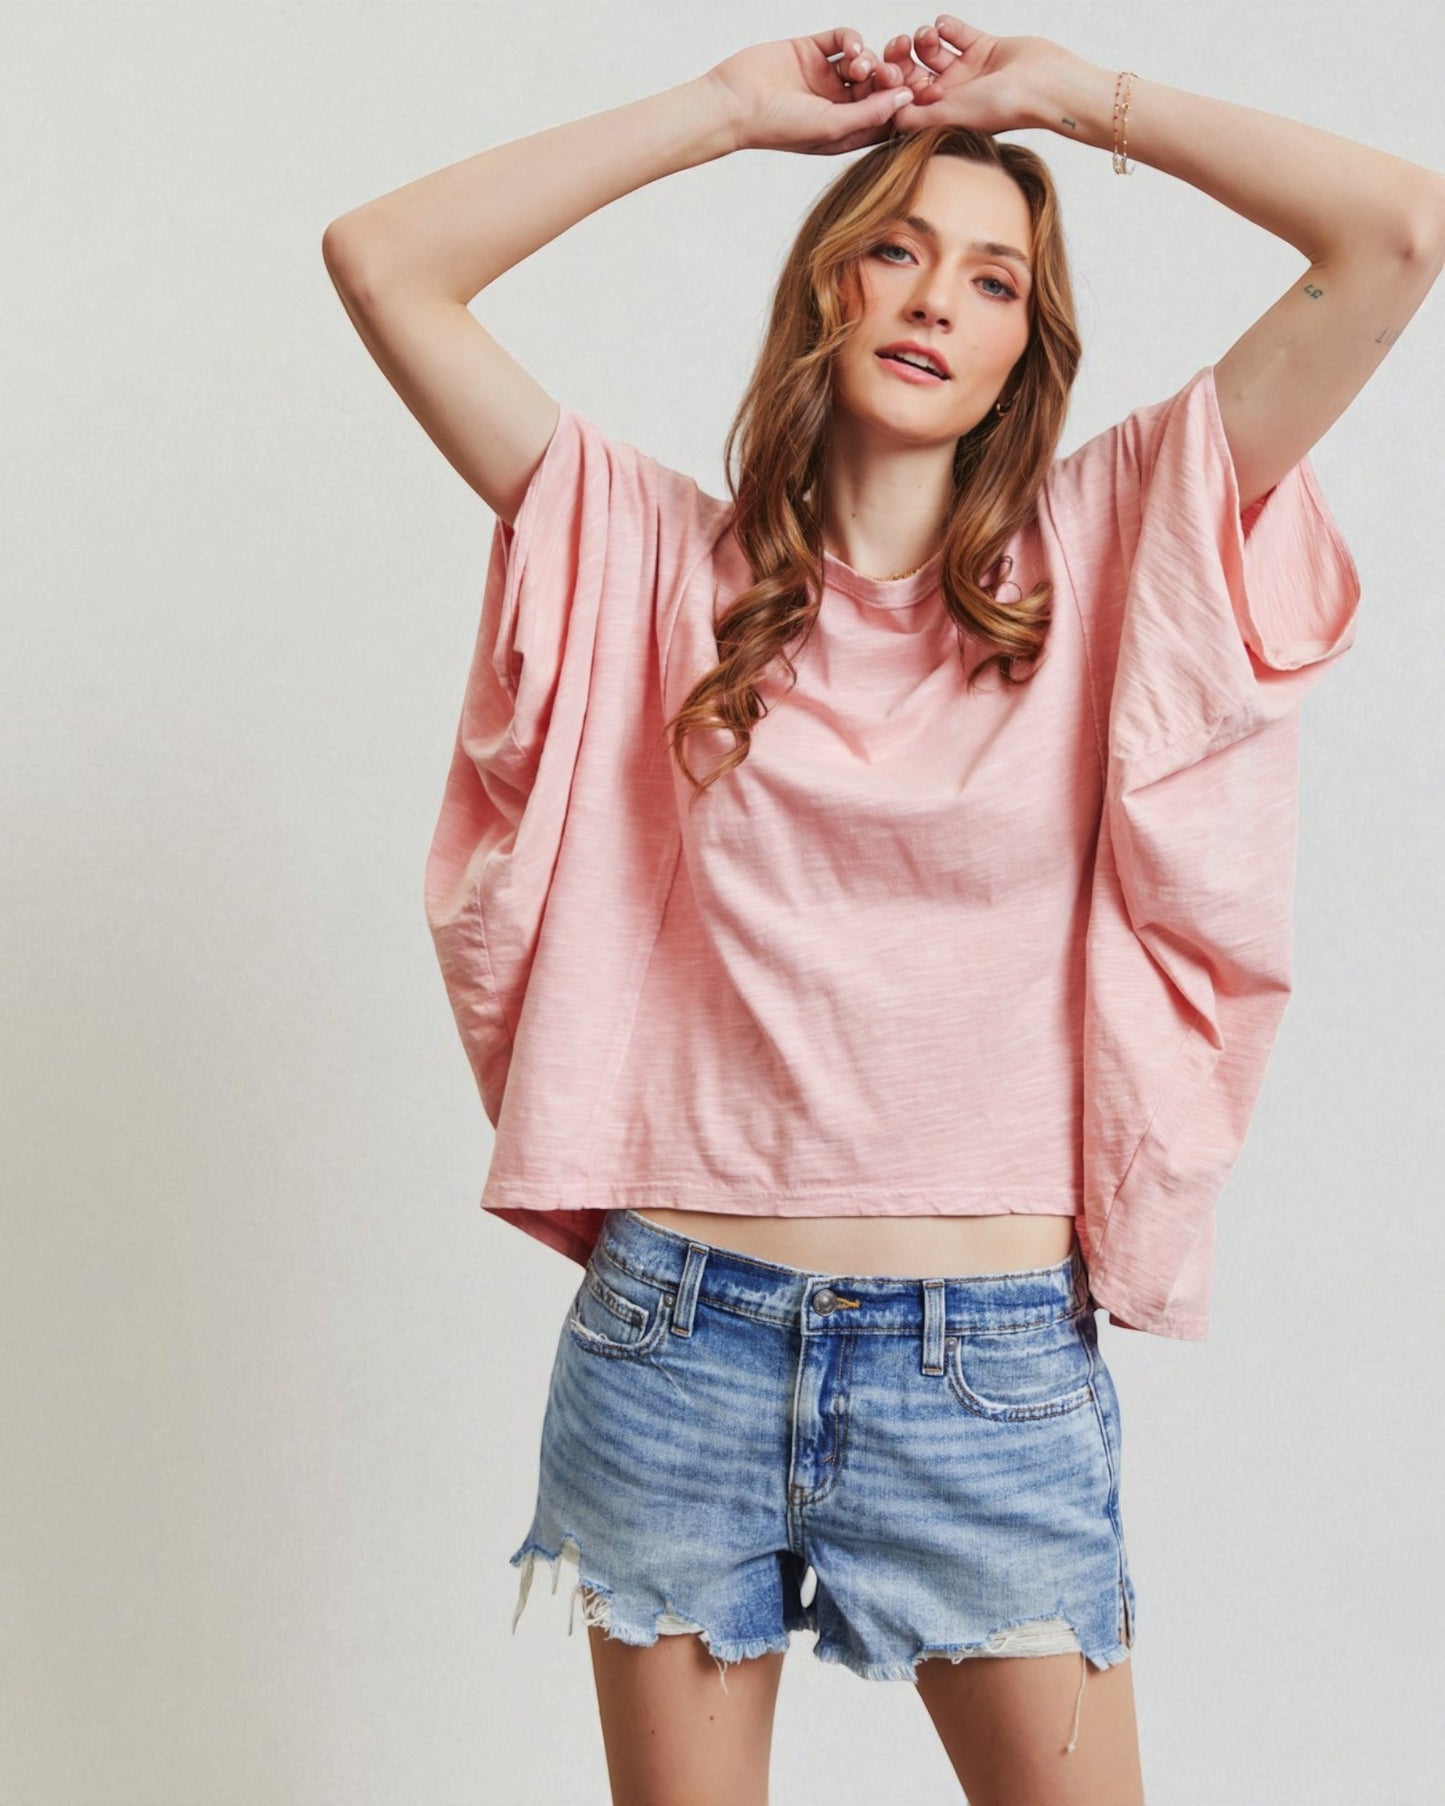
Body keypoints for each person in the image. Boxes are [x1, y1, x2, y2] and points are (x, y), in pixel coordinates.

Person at [323, 19, 1443, 1803]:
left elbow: (1395, 228)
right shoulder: (645, 551)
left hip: (981, 1365)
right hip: (673, 1338)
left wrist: (1065, 95)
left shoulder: (1111, 544)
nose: (935, 299)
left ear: (1023, 351)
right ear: (825, 290)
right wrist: (723, 112)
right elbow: (383, 258)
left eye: (992, 278)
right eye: (897, 250)